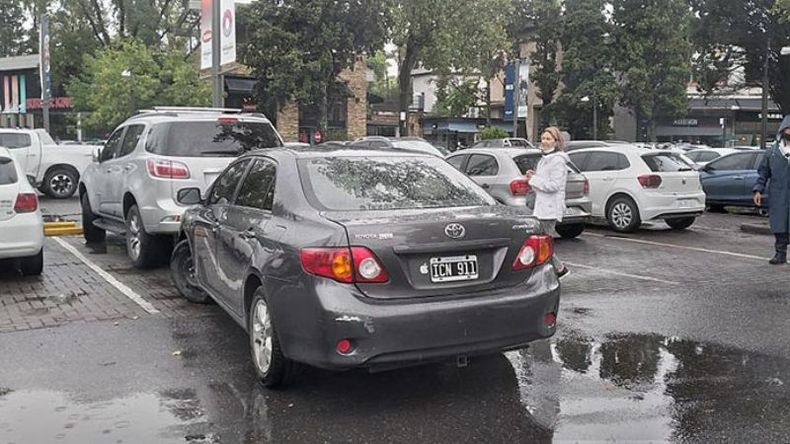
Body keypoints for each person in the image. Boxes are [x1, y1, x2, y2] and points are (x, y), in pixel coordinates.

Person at [525, 126, 570, 279]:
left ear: (556, 142)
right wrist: (533, 177)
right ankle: (554, 270)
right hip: (541, 207)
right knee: (542, 242)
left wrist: (534, 179)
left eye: (548, 139)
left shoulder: (557, 161)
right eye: (543, 138)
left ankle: (559, 269)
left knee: (544, 243)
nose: (544, 141)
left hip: (549, 209)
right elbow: (542, 183)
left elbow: (553, 186)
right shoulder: (544, 159)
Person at [753, 115, 790, 265]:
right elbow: (763, 173)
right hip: (779, 195)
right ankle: (780, 254)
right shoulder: (772, 152)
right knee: (779, 225)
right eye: (788, 129)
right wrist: (758, 190)